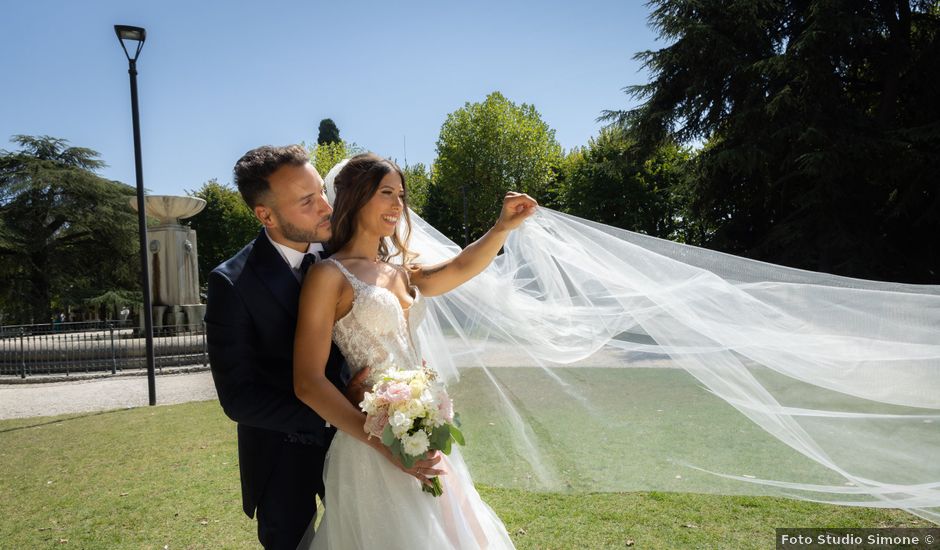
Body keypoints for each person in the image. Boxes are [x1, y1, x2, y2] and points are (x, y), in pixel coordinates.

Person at [293, 153, 537, 549]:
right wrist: (382, 444)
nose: (397, 206)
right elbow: (307, 382)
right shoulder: (328, 275)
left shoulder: (400, 271)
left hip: (421, 434)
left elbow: (459, 268)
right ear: (354, 197)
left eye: (401, 196)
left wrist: (501, 228)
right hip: (370, 446)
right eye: (386, 193)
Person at [205, 145, 440, 550]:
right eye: (307, 201)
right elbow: (239, 400)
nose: (325, 206)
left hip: (362, 450)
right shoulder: (232, 284)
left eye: (321, 192)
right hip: (284, 456)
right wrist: (335, 413)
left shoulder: (343, 256)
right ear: (266, 215)